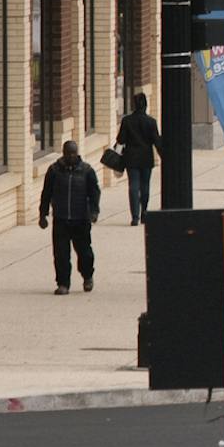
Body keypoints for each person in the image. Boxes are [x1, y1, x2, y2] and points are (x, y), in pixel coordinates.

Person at [38, 140, 101, 295]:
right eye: (68, 153)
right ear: (63, 153)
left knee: (84, 252)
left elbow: (94, 193)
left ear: (77, 153)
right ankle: (63, 283)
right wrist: (43, 214)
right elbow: (46, 193)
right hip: (61, 218)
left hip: (81, 219)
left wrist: (94, 211)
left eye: (73, 153)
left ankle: (87, 276)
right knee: (61, 254)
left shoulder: (86, 171)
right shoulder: (54, 171)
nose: (71, 156)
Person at [112, 92, 162, 226]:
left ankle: (134, 216)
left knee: (133, 185)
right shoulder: (151, 122)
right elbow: (157, 141)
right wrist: (163, 156)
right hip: (146, 158)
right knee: (145, 185)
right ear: (145, 105)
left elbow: (121, 140)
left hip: (131, 158)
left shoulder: (127, 121)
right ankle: (144, 212)